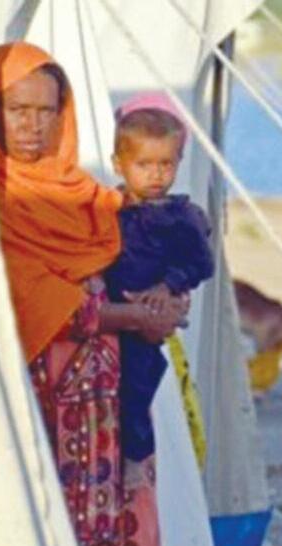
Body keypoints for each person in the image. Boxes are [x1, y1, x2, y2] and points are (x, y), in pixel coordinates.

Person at [0, 42, 184, 546]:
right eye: (17, 110)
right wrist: (133, 317)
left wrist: (168, 299)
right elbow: (38, 299)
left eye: (46, 111)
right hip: (40, 402)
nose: (33, 126)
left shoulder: (89, 198)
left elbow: (146, 259)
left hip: (113, 404)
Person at [103, 94, 215, 464]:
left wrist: (167, 287)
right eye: (144, 165)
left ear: (179, 161)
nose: (156, 174)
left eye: (166, 164)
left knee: (137, 387)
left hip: (149, 317)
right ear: (119, 165)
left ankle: (136, 458)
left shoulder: (181, 217)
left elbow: (201, 263)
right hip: (110, 313)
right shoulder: (107, 209)